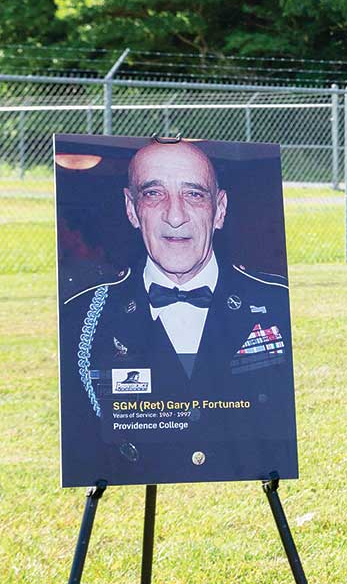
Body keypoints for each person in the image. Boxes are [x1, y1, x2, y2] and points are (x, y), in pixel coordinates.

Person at [59, 139, 295, 486]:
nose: (175, 215)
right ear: (130, 208)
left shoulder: (275, 303)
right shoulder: (82, 319)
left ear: (220, 209)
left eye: (194, 194)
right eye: (154, 194)